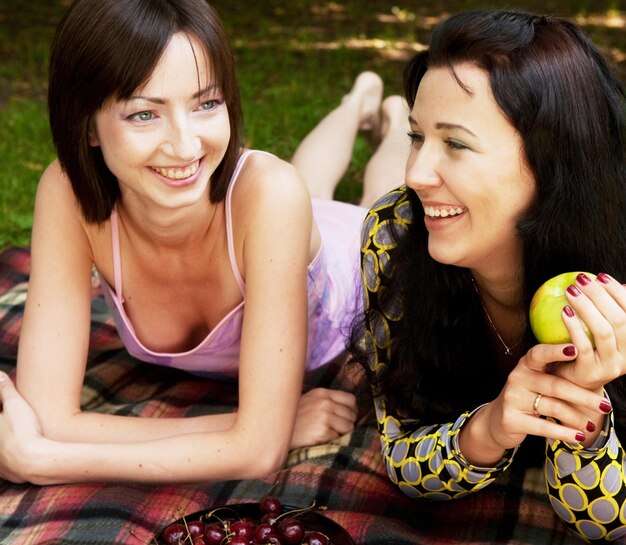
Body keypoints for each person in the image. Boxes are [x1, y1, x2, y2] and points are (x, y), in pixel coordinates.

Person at [0, 0, 409, 485]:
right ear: (86, 124)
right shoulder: (68, 194)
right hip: (272, 226)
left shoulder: (271, 195)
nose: (186, 144)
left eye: (206, 104)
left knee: (375, 203)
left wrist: (43, 461)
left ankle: (393, 113)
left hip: (345, 261)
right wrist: (252, 429)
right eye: (144, 114)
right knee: (312, 186)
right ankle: (358, 101)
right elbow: (48, 419)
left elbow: (257, 453)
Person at [349, 9, 626, 542]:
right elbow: (405, 458)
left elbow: (605, 526)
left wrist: (582, 405)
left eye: (455, 143)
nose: (415, 175)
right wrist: (491, 427)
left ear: (552, 162)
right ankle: (373, 112)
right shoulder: (395, 231)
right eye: (417, 136)